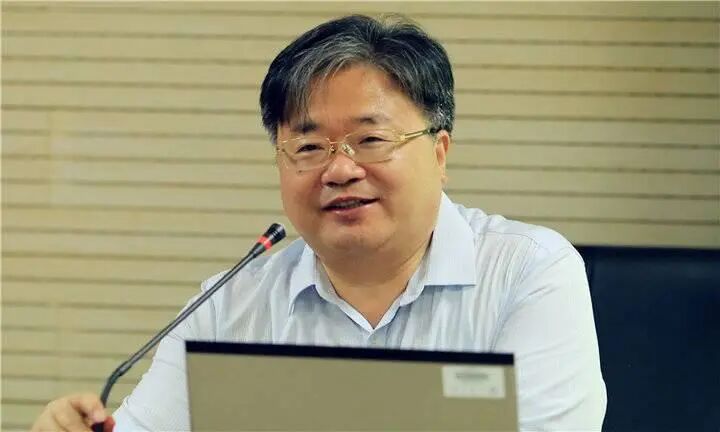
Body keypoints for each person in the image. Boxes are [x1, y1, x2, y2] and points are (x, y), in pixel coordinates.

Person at [31, 14, 606, 432]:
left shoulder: (529, 272)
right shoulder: (228, 307)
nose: (340, 169)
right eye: (308, 147)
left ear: (439, 152)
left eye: (371, 140)